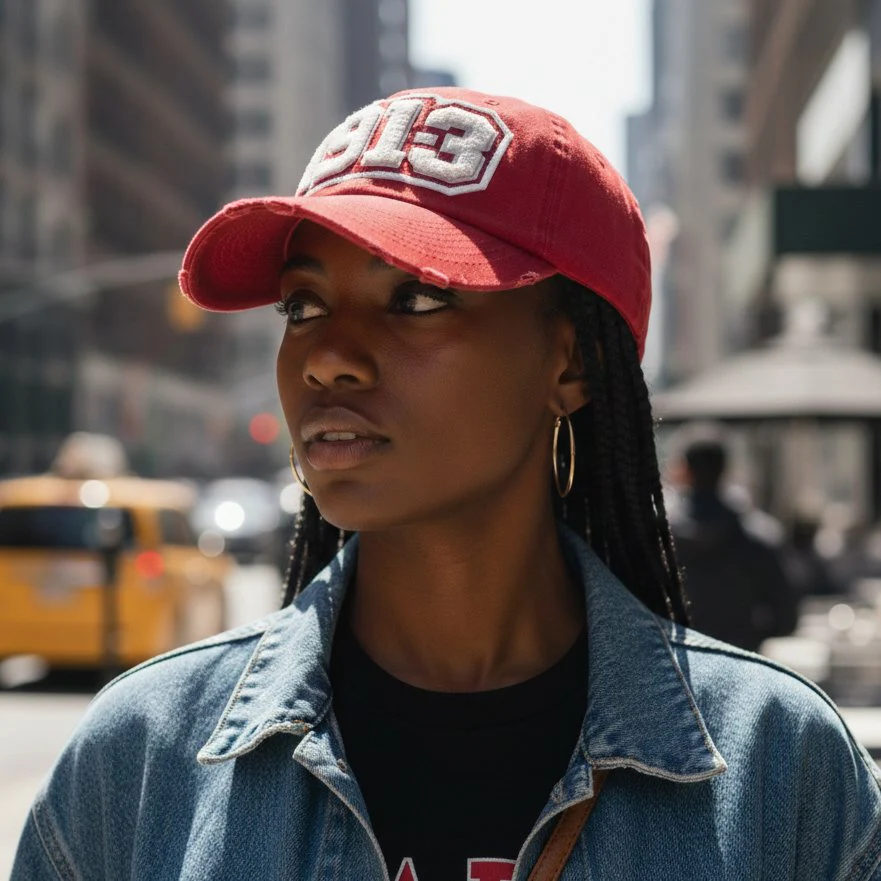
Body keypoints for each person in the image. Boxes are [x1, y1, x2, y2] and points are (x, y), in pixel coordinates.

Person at [13, 87, 881, 881]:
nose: (328, 356)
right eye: (303, 305)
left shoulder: (783, 769)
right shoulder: (138, 760)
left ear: (569, 359)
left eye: (418, 298)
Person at [667, 429, 799, 651]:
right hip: (742, 660)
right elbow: (786, 617)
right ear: (725, 469)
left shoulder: (661, 539)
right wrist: (750, 635)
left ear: (685, 471)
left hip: (679, 662)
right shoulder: (759, 536)